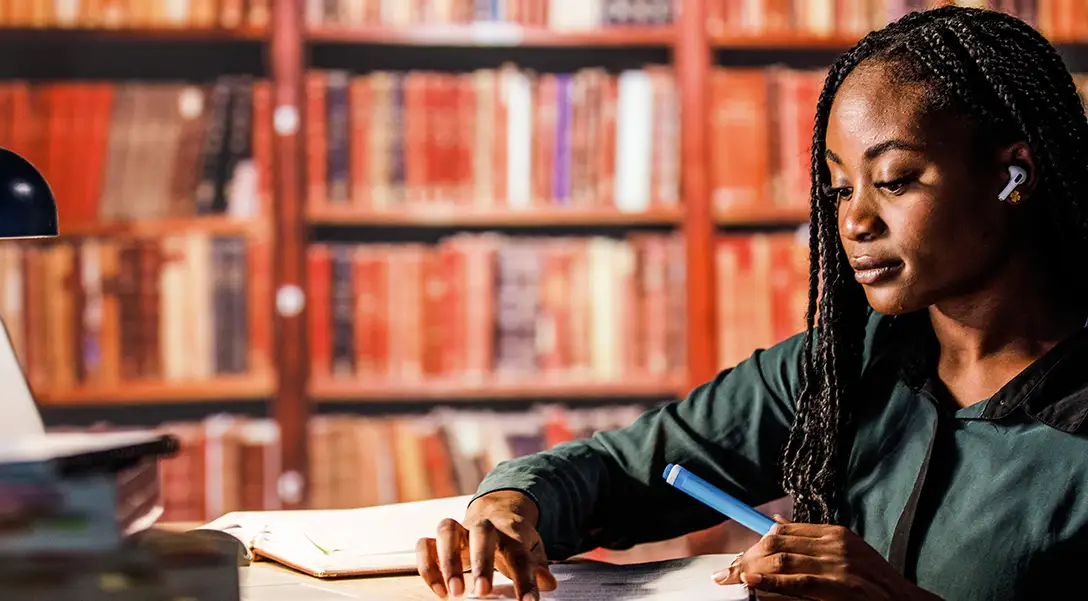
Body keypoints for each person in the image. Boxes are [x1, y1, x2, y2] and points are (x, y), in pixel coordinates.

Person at [417, 6, 1088, 601]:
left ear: (1014, 173)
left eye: (894, 180)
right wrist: (510, 505)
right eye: (838, 189)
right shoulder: (840, 368)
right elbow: (619, 469)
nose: (854, 221)